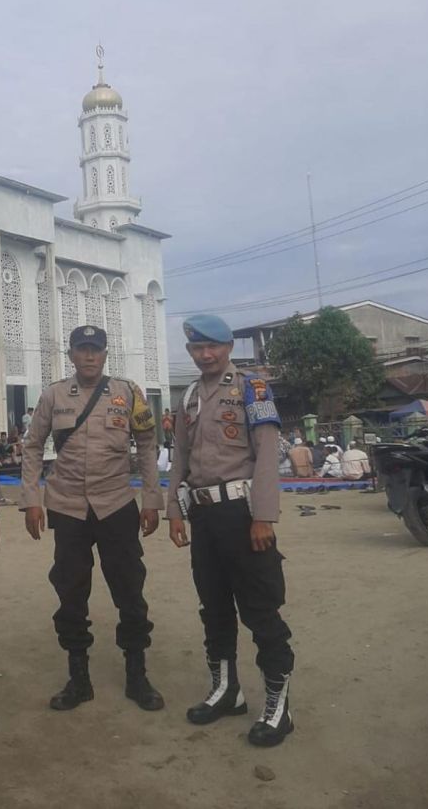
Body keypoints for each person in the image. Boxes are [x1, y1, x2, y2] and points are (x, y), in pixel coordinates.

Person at [21, 324, 165, 713]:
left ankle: (137, 674)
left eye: (96, 350)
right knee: (70, 591)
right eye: (82, 349)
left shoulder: (127, 393)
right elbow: (33, 446)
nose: (89, 356)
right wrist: (32, 499)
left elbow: (148, 444)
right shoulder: (53, 395)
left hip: (116, 504)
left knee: (130, 590)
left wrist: (152, 498)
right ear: (71, 354)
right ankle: (78, 678)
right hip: (67, 507)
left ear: (105, 355)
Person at [167, 314, 294, 748]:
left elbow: (266, 454)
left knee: (261, 612)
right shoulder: (187, 398)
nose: (205, 355)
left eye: (213, 347)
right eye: (197, 348)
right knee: (214, 608)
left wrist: (264, 516)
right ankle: (228, 691)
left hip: (243, 515)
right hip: (203, 517)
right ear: (190, 352)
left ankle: (279, 706)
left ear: (227, 349)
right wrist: (174, 511)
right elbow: (180, 457)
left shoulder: (250, 388)